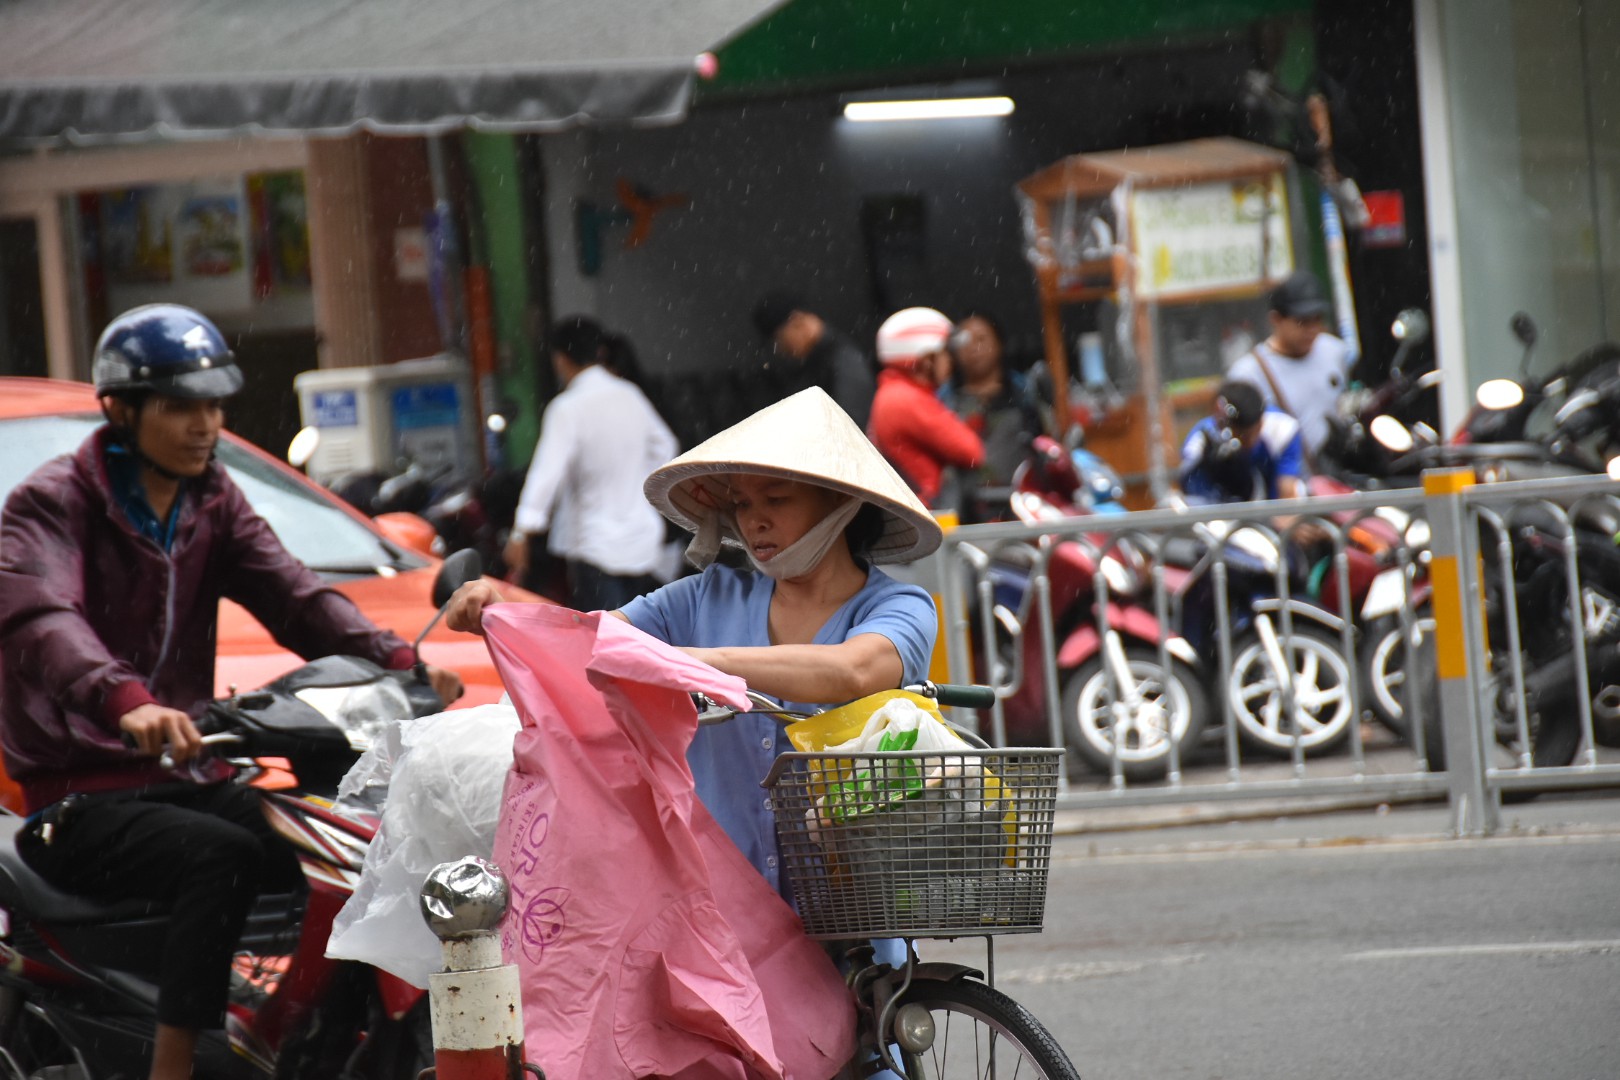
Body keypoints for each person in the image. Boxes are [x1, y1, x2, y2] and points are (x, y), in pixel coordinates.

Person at [0, 303, 463, 1080]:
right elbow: (46, 622)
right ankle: (179, 1064)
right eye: (181, 406)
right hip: (82, 792)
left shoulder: (211, 498)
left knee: (320, 837)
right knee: (221, 855)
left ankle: (304, 1034)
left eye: (214, 406)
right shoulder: (51, 504)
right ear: (121, 408)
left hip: (186, 775)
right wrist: (129, 703)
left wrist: (399, 663)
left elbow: (293, 595)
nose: (204, 424)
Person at [447, 386, 941, 894]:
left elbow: (852, 671)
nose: (755, 521)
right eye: (743, 503)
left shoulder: (899, 607)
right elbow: (587, 638)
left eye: (777, 499)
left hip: (853, 911)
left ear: (840, 503)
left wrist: (688, 663)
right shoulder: (703, 598)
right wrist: (502, 606)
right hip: (726, 911)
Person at [505, 316, 679, 611]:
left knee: (606, 639)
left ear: (559, 359)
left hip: (593, 543)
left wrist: (522, 531)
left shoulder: (567, 408)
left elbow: (546, 474)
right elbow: (666, 447)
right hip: (641, 540)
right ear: (599, 352)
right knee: (642, 634)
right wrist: (637, 480)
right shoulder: (630, 395)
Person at [866, 306, 986, 510]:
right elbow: (972, 452)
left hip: (920, 515)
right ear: (926, 360)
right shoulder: (907, 399)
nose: (950, 361)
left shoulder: (893, 393)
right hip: (930, 519)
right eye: (945, 353)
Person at [1226, 270, 1353, 460]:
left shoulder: (1335, 350)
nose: (1312, 330)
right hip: (1285, 482)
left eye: (1317, 319)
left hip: (1340, 478)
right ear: (1276, 320)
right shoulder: (1249, 373)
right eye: (1302, 321)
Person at [939, 311, 1044, 520]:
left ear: (999, 343)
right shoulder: (944, 401)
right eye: (965, 341)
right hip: (966, 510)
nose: (973, 348)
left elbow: (1044, 441)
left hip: (1022, 505)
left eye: (981, 339)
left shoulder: (1024, 393)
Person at [750, 291, 876, 428]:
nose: (781, 350)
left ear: (797, 322)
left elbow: (851, 428)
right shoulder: (814, 363)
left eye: (779, 340)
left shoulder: (843, 361)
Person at [1177, 379, 1307, 505]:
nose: (1249, 442)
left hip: (1271, 509)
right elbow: (1191, 492)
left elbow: (1288, 495)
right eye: (1242, 436)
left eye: (1253, 433)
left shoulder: (1281, 429)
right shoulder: (1199, 442)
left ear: (1261, 421)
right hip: (1220, 513)